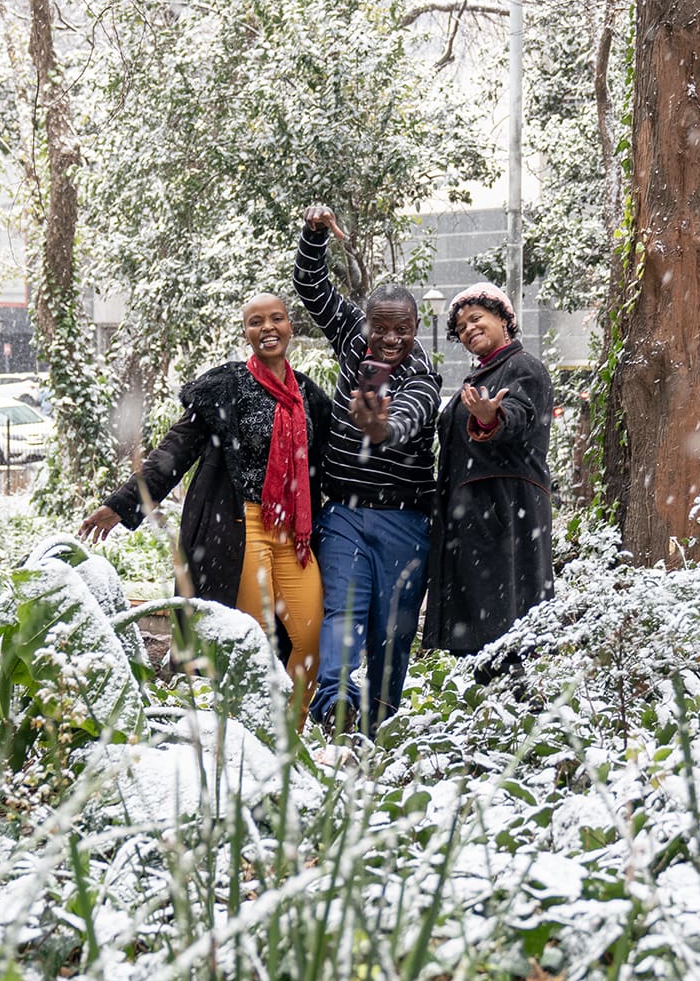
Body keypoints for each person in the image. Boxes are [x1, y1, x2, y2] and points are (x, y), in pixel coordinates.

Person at [79, 294, 333, 712]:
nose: (267, 328)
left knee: (311, 639)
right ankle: (248, 739)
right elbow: (173, 451)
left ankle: (290, 738)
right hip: (240, 529)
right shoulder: (224, 388)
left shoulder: (309, 396)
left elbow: (331, 462)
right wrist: (123, 504)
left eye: (276, 319)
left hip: (294, 534)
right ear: (245, 332)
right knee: (254, 639)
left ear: (291, 326)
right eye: (255, 322)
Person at [294, 204, 442, 735]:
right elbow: (313, 290)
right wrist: (314, 234)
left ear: (416, 326)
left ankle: (378, 727)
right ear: (368, 325)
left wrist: (379, 430)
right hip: (345, 515)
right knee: (343, 615)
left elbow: (405, 420)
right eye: (382, 328)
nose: (390, 340)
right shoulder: (355, 339)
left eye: (402, 329)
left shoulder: (425, 376)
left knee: (391, 633)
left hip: (405, 523)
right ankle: (334, 704)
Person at [424, 280, 555, 659]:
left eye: (477, 318)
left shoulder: (522, 366)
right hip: (474, 516)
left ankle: (514, 706)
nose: (469, 329)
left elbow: (519, 415)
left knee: (506, 623)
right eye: (461, 327)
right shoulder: (478, 377)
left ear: (504, 319)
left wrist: (492, 418)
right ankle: (481, 707)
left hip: (504, 513)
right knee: (480, 627)